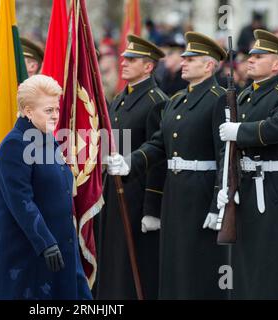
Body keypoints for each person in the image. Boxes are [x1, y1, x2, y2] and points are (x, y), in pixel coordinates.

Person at [106, 32, 229, 299]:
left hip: (202, 191)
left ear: (209, 65)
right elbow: (158, 145)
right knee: (173, 265)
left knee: (200, 266)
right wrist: (129, 162)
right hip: (176, 192)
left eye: (191, 58)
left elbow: (225, 155)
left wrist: (217, 206)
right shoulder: (176, 101)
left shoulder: (219, 99)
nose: (183, 62)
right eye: (184, 57)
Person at [0, 75, 92, 300]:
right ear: (28, 111)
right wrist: (45, 242)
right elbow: (21, 202)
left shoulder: (47, 139)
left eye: (56, 108)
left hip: (56, 245)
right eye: (48, 110)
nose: (55, 115)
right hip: (23, 249)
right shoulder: (14, 145)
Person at [217, 29, 278, 299]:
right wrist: (225, 186)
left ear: (277, 64)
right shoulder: (244, 96)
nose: (249, 60)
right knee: (245, 265)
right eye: (250, 55)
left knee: (273, 264)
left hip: (274, 189)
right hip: (246, 187)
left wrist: (240, 131)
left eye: (258, 56)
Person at [94, 34, 168, 300]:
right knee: (112, 260)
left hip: (136, 195)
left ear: (148, 67)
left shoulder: (156, 101)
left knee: (131, 263)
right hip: (112, 191)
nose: (123, 62)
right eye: (124, 57)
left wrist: (152, 208)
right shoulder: (120, 98)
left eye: (132, 59)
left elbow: (158, 157)